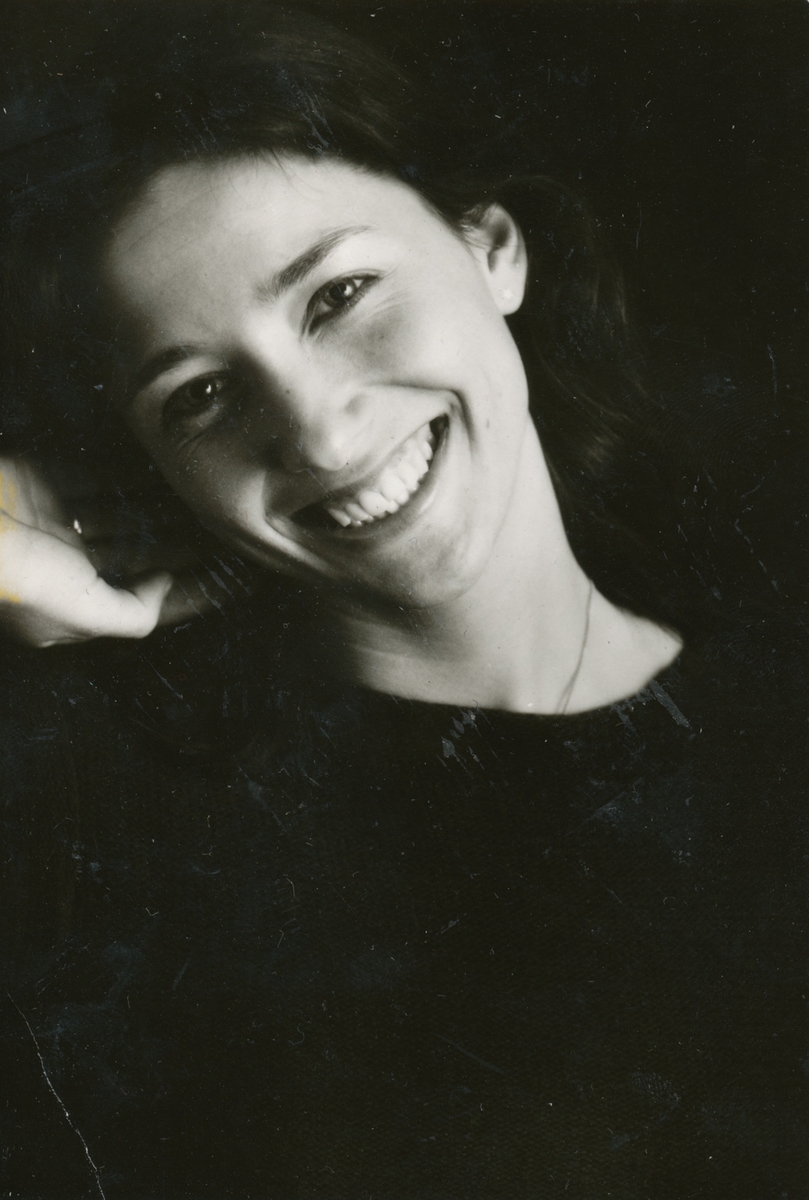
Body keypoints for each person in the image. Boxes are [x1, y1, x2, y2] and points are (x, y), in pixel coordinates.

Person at [0, 6, 805, 1197]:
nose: (319, 434)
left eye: (337, 296)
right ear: (150, 468)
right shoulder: (116, 852)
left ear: (492, 250)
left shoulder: (776, 727)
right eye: (200, 394)